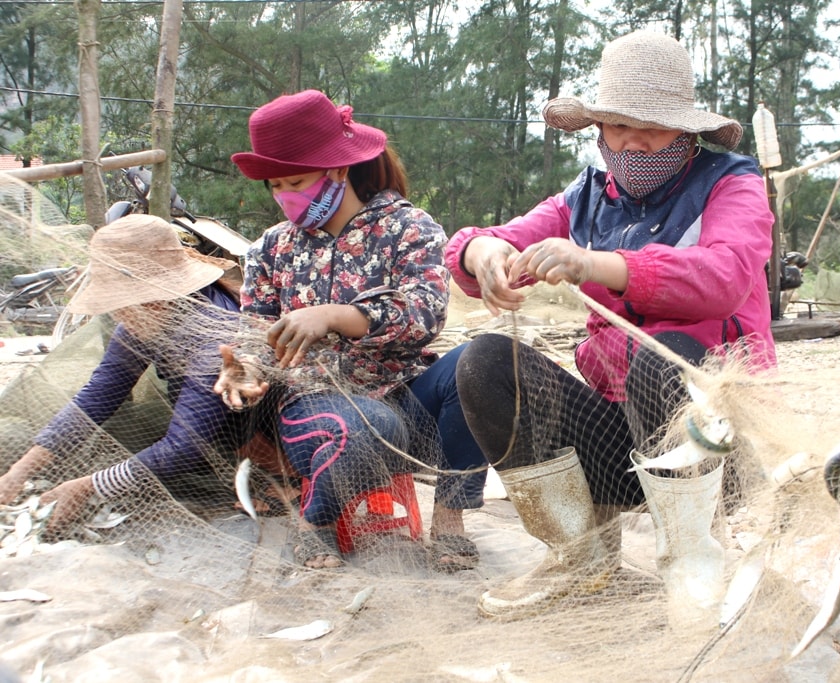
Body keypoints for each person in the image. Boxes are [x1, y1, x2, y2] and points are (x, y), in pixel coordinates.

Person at [445, 31, 777, 619]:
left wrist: (596, 264)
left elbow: (725, 277)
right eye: (617, 127)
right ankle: (581, 556)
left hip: (717, 439)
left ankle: (694, 559)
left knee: (665, 357)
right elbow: (488, 239)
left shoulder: (733, 183)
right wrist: (483, 255)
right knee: (485, 362)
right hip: (618, 441)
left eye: (651, 128)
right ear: (597, 129)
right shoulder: (587, 196)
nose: (631, 143)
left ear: (688, 132)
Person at [218, 89, 487, 570]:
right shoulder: (270, 250)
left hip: (408, 399)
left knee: (481, 362)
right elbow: (256, 336)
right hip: (315, 410)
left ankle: (450, 518)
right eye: (275, 186)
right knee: (371, 425)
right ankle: (314, 523)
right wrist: (244, 369)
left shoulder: (408, 227)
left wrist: (337, 315)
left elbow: (426, 311)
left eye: (296, 181)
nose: (285, 198)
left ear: (338, 169)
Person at [0, 214, 264, 530]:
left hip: (248, 440)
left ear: (155, 297)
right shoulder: (146, 320)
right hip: (200, 430)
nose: (118, 313)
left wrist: (88, 487)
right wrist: (20, 471)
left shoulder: (215, 335)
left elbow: (185, 446)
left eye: (123, 302)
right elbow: (97, 396)